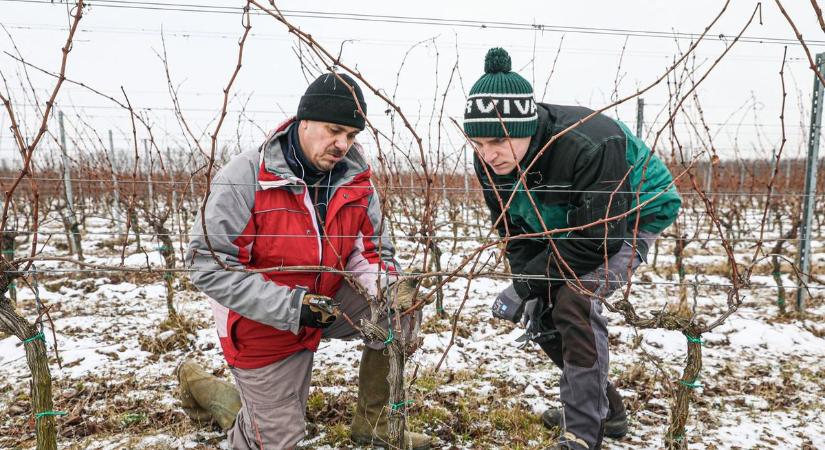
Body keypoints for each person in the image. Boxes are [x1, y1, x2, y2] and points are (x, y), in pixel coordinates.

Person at [181, 72, 432, 450]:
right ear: (304, 120)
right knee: (278, 439)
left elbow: (371, 252)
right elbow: (209, 265)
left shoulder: (356, 181)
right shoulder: (247, 177)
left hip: (328, 300)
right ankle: (211, 391)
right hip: (259, 317)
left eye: (351, 136)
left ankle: (376, 424)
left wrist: (388, 287)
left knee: (400, 310)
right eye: (334, 130)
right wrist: (293, 306)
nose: (342, 144)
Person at [464, 48, 682, 450]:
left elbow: (600, 240)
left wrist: (527, 284)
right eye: (476, 142)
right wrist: (527, 284)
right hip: (563, 220)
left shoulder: (591, 143)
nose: (486, 153)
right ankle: (606, 413)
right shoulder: (490, 160)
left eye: (496, 140)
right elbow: (514, 232)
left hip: (631, 216)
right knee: (542, 308)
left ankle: (583, 434)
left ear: (527, 126)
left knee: (574, 300)